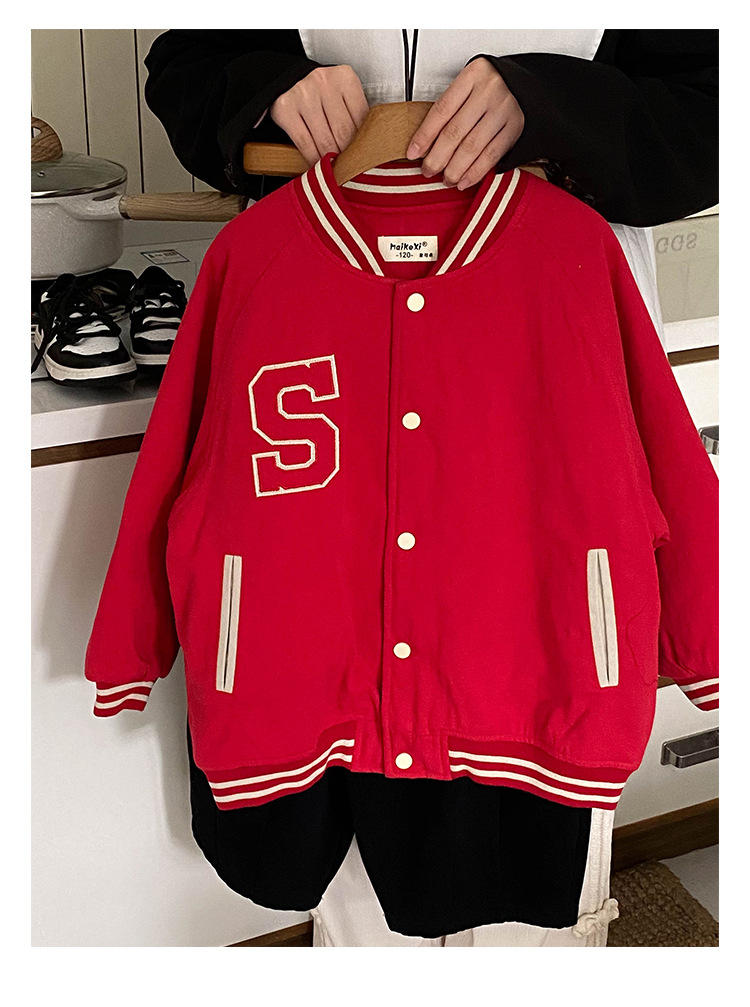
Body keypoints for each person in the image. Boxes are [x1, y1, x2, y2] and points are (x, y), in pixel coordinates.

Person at [143, 29, 719, 948]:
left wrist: (554, 104)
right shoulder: (251, 260)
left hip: (546, 329)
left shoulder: (571, 255)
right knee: (351, 909)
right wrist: (263, 90)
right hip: (312, 303)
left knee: (532, 907)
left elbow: (713, 104)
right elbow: (187, 62)